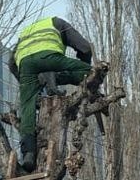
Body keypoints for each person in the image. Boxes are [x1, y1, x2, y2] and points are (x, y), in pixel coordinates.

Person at [9, 16, 95, 170]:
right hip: (50, 58)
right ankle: (56, 77)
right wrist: (84, 73)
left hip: (25, 64)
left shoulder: (26, 32)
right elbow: (85, 48)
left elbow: (11, 64)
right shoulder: (57, 22)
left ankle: (28, 153)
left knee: (27, 106)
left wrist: (29, 85)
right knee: (92, 71)